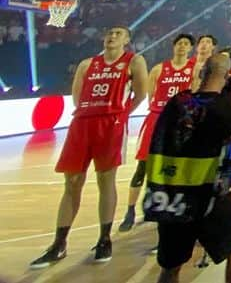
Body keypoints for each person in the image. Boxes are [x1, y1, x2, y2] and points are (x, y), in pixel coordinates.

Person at [31, 26, 149, 269]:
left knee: (106, 180)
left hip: (111, 122)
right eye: (110, 33)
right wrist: (88, 112)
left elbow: (140, 93)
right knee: (72, 182)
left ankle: (105, 239)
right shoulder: (87, 64)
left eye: (118, 33)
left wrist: (121, 115)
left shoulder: (134, 61)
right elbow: (77, 96)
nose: (112, 36)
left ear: (127, 40)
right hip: (83, 123)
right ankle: (59, 243)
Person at [151, 51, 231, 283]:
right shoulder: (227, 107)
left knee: (171, 266)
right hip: (209, 197)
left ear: (201, 73)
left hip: (172, 197)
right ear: (227, 77)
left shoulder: (177, 102)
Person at [120, 33, 196, 233]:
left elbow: (195, 94)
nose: (182, 46)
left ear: (190, 49)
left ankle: (168, 211)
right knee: (142, 167)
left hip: (180, 122)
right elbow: (151, 95)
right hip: (156, 118)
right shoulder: (159, 68)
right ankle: (130, 211)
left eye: (186, 44)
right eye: (179, 43)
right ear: (174, 46)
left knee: (173, 169)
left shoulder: (193, 69)